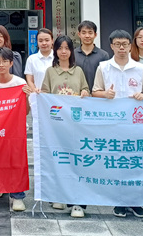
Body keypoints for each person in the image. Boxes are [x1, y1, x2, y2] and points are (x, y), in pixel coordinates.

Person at [92, 30, 143, 219]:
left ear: (130, 46)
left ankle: (135, 202)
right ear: (111, 46)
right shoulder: (104, 67)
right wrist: (105, 94)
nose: (121, 48)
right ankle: (119, 202)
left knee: (135, 162)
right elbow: (95, 91)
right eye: (118, 44)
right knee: (117, 163)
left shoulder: (139, 68)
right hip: (111, 122)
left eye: (125, 44)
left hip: (134, 123)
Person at [39, 35, 91, 217]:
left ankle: (77, 203)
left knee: (77, 161)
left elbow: (86, 89)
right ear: (55, 51)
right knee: (58, 160)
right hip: (56, 125)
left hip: (76, 124)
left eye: (67, 48)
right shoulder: (50, 72)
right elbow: (45, 94)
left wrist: (84, 92)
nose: (63, 51)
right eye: (60, 48)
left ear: (71, 51)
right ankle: (58, 196)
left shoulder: (78, 71)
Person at [0, 46, 30, 212]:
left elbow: (26, 112)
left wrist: (26, 97)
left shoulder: (20, 83)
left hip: (16, 131)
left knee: (16, 161)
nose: (1, 64)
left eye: (5, 61)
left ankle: (17, 195)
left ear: (11, 63)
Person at [74, 20, 110, 91]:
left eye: (90, 33)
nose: (87, 36)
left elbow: (106, 77)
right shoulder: (73, 54)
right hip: (77, 94)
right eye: (84, 33)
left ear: (95, 35)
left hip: (97, 95)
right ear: (79, 34)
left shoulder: (103, 55)